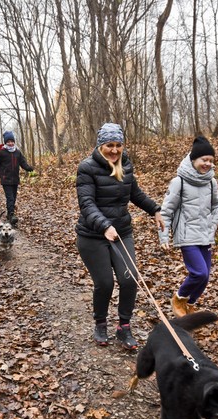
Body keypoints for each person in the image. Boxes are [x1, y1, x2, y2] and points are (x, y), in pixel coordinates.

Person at [75, 122, 165, 350]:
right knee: (105, 283)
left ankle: (124, 326)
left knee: (129, 279)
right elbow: (86, 203)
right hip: (93, 235)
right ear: (100, 146)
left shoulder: (125, 165)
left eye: (118, 145)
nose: (114, 150)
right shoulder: (87, 168)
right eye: (109, 145)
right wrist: (104, 226)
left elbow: (134, 193)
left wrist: (154, 209)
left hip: (122, 232)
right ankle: (101, 323)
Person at [158, 135, 218, 317]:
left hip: (205, 235)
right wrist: (164, 236)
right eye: (204, 160)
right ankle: (179, 297)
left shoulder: (211, 182)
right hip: (187, 236)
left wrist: (213, 223)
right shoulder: (180, 182)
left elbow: (217, 205)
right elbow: (166, 211)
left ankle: (190, 304)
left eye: (211, 160)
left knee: (205, 277)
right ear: (193, 159)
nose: (208, 164)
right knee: (199, 273)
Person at [0, 131, 34, 227]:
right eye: (8, 141)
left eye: (12, 141)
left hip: (15, 179)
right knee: (10, 197)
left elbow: (22, 162)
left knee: (13, 197)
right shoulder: (1, 153)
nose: (10, 143)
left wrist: (28, 168)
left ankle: (9, 213)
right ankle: (11, 215)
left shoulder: (17, 152)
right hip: (5, 179)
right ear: (5, 142)